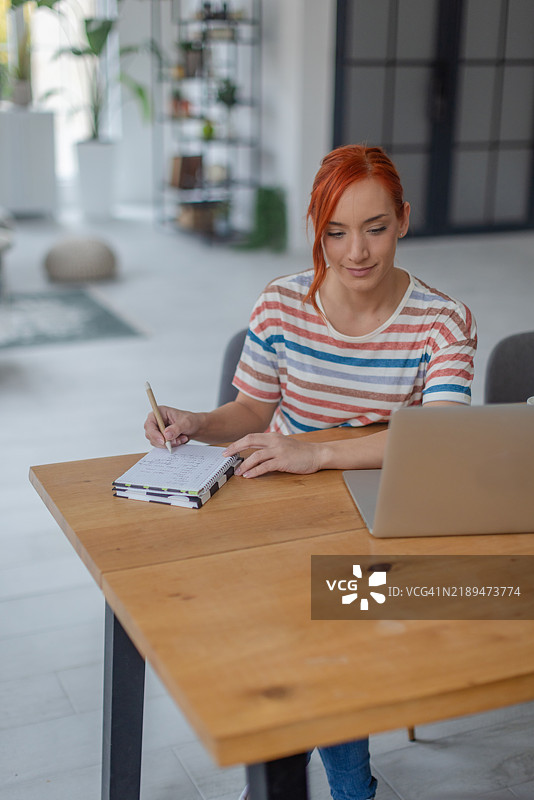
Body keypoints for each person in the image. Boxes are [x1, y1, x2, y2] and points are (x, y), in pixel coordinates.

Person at [144, 144, 477, 800]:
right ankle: (316, 780)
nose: (356, 252)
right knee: (281, 609)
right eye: (335, 232)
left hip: (387, 515)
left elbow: (439, 438)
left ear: (403, 221)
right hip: (286, 508)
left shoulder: (443, 322)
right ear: (315, 228)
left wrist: (316, 451)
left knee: (333, 606)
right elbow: (250, 409)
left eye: (375, 228)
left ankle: (326, 779)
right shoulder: (281, 305)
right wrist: (194, 422)